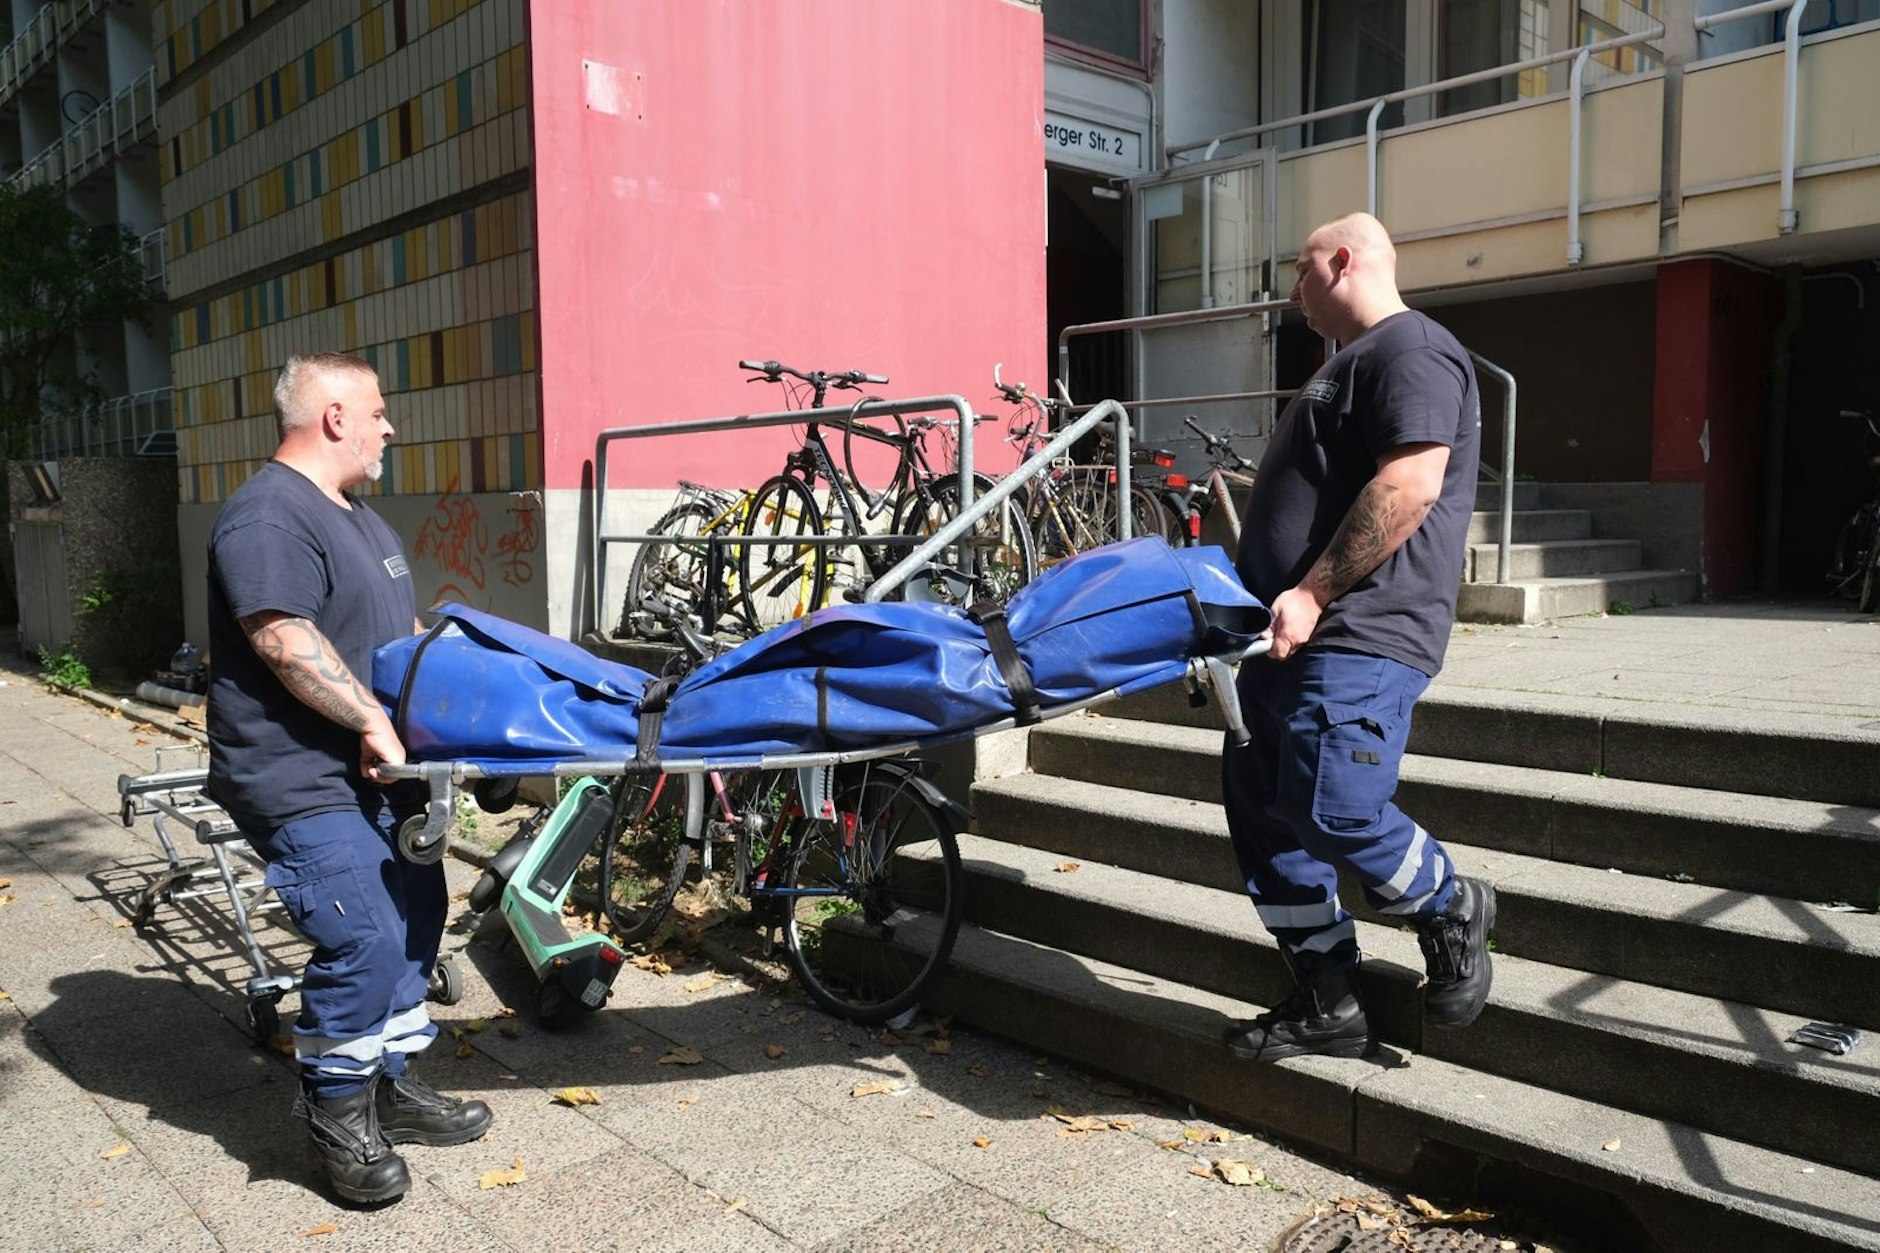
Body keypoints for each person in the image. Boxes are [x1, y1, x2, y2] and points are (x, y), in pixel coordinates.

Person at [206, 353, 492, 1202]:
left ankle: (390, 1088)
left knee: (416, 917)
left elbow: (395, 631)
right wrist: (370, 717)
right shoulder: (266, 515)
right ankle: (335, 1117)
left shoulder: (361, 519)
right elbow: (281, 634)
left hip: (381, 769)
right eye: (377, 410)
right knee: (363, 932)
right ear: (334, 416)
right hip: (303, 774)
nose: (388, 426)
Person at [1221, 213, 1494, 1063]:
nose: (1293, 294)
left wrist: (1309, 591)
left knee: (1330, 805)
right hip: (1287, 638)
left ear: (1342, 261)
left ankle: (1449, 902)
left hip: (1358, 631)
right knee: (1266, 818)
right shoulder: (1349, 364)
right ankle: (1328, 1001)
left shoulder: (1409, 349)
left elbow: (1411, 482)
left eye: (1300, 274)